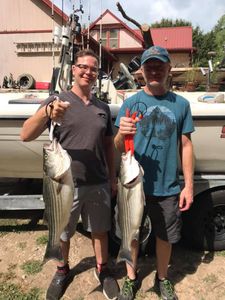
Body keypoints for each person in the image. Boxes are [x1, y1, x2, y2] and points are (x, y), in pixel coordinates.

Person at [20, 49, 119, 300]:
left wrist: (112, 177)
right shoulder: (57, 101)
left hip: (98, 182)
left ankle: (103, 270)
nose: (88, 72)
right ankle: (62, 269)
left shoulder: (103, 108)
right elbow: (25, 134)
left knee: (100, 230)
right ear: (73, 70)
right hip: (64, 184)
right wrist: (46, 112)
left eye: (93, 69)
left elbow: (108, 144)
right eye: (83, 67)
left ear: (97, 75)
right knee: (62, 232)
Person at [114, 45, 194, 300]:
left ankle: (162, 278)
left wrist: (189, 186)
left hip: (167, 186)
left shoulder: (181, 105)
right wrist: (122, 133)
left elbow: (186, 145)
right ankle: (130, 277)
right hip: (132, 186)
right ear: (142, 71)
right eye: (149, 65)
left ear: (169, 69)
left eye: (160, 65)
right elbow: (117, 146)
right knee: (131, 232)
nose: (155, 70)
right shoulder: (130, 103)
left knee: (165, 236)